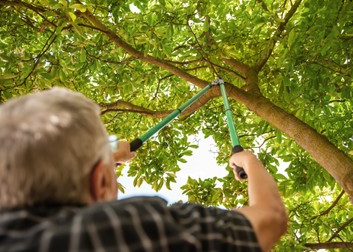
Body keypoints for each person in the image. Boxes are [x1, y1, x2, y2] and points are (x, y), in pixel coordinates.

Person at [0, 87, 287, 252]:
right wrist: (248, 160)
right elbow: (269, 218)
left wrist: (108, 151)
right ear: (100, 181)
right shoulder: (119, 230)